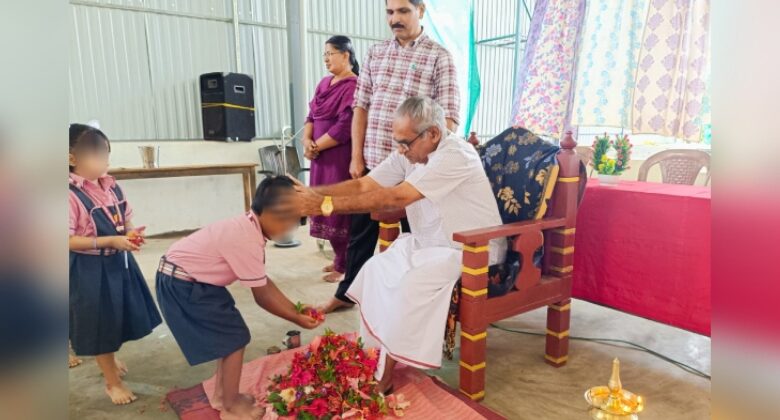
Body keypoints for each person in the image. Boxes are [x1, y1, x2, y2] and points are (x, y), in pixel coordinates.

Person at [292, 97, 506, 394]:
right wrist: (314, 194)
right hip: (428, 243)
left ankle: (385, 375)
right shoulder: (412, 152)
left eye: (406, 143)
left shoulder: (455, 154)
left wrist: (324, 205)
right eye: (398, 142)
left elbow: (397, 197)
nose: (401, 150)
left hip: (471, 250)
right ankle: (371, 355)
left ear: (433, 133)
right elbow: (365, 184)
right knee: (375, 270)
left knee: (409, 285)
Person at [321, 0, 461, 313]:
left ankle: (418, 304)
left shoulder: (439, 56)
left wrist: (426, 160)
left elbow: (449, 119)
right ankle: (346, 295)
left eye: (403, 11)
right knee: (360, 235)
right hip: (374, 162)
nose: (395, 18)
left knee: (418, 238)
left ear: (420, 11)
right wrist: (356, 156)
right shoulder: (376, 53)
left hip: (415, 170)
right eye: (390, 12)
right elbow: (361, 107)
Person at [156, 176, 323, 420]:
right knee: (235, 339)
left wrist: (295, 308)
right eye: (290, 222)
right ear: (271, 213)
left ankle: (222, 396)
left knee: (229, 338)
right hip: (184, 283)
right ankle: (232, 404)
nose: (290, 230)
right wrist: (296, 318)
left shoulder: (249, 226)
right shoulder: (246, 238)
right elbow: (262, 296)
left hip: (193, 279)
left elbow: (262, 280)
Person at [68, 123, 162, 405]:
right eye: (96, 156)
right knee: (98, 323)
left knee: (115, 317)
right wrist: (109, 240)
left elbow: (125, 219)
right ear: (71, 158)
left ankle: (107, 357)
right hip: (88, 269)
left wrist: (130, 234)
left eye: (106, 155)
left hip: (117, 263)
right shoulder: (69, 194)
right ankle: (112, 382)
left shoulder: (111, 185)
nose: (104, 162)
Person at [302, 35, 359, 283]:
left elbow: (345, 127)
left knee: (338, 209)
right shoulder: (324, 83)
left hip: (338, 157)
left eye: (330, 54)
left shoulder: (354, 85)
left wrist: (316, 145)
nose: (326, 59)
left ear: (345, 55)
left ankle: (345, 265)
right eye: (324, 54)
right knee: (323, 204)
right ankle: (338, 259)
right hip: (319, 159)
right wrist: (306, 141)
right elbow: (311, 116)